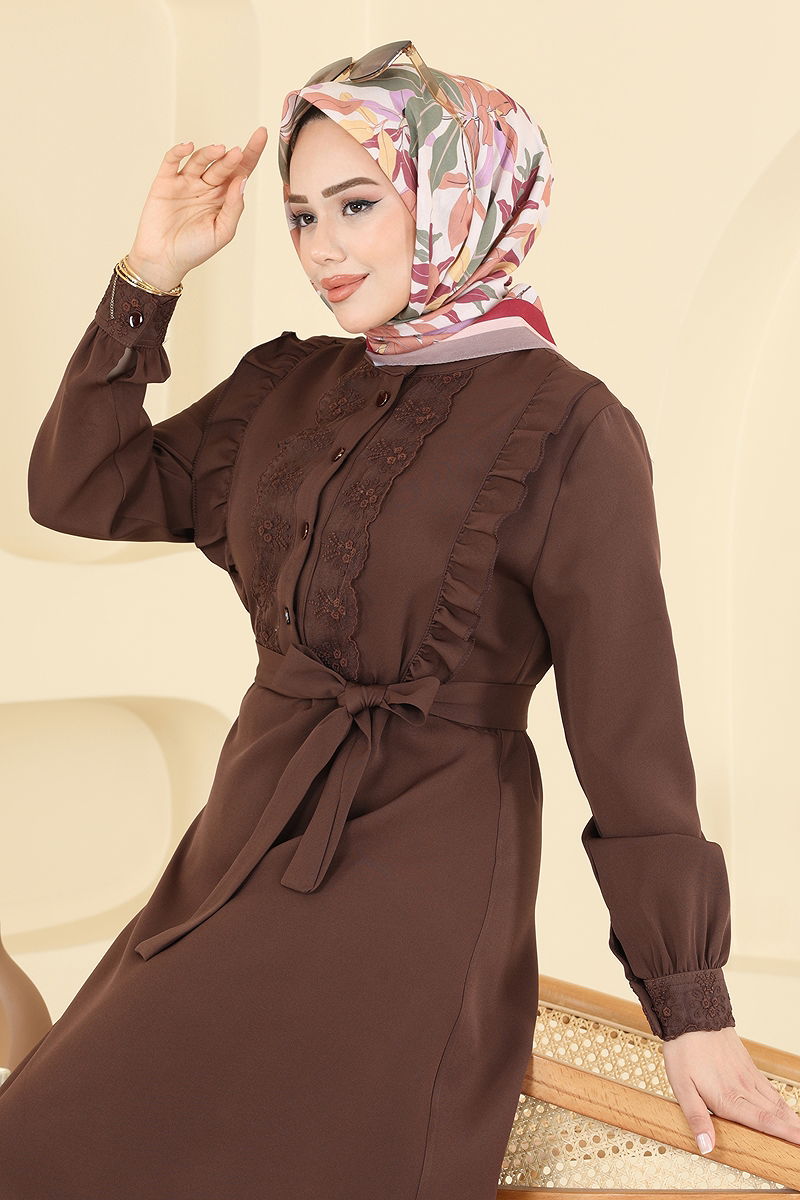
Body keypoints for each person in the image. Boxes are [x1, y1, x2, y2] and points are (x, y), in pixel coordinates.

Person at [2, 41, 799, 1200]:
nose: (322, 248)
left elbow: (627, 732)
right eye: (300, 216)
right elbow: (79, 488)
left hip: (423, 874)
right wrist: (150, 274)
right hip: (244, 836)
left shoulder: (571, 428)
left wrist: (690, 1008)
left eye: (357, 204)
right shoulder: (285, 387)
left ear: (460, 196)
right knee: (52, 1140)